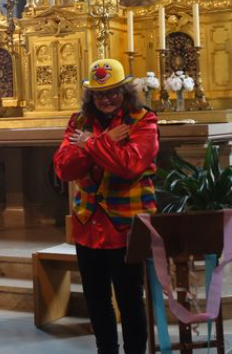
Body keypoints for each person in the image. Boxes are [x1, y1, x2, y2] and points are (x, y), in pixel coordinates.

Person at [53, 58, 159, 354]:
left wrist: (89, 144)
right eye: (99, 94)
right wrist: (104, 141)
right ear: (91, 96)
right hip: (88, 227)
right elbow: (64, 168)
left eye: (112, 92)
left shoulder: (143, 120)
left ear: (125, 92)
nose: (106, 99)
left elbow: (129, 165)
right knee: (96, 299)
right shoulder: (78, 122)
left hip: (127, 227)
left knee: (130, 299)